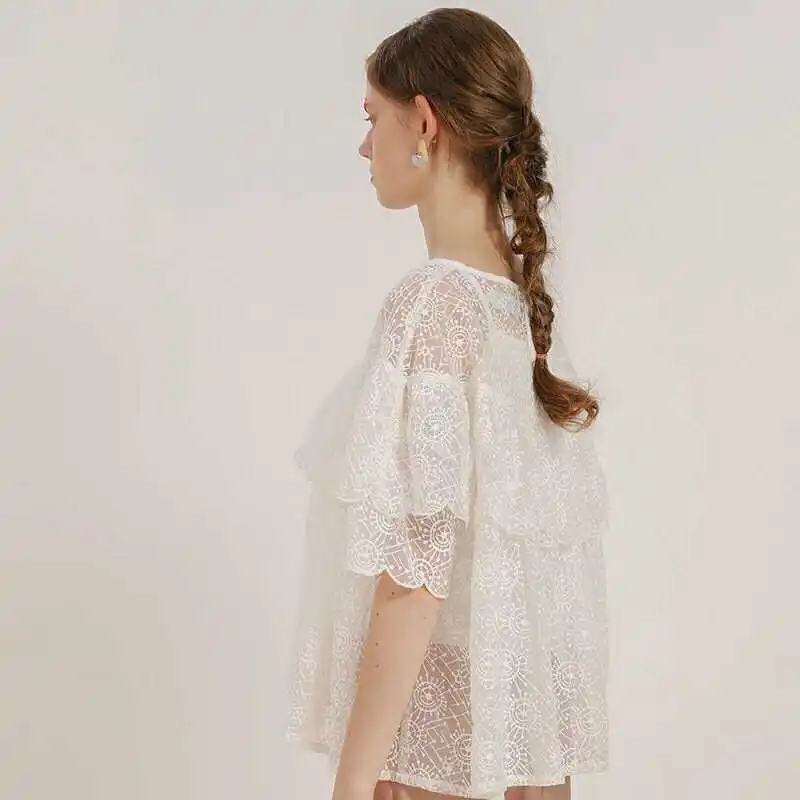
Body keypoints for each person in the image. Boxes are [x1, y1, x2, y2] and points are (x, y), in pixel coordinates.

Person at [285, 8, 609, 800]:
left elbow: (416, 574)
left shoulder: (433, 306)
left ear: (424, 122)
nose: (365, 147)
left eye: (373, 118)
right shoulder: (520, 317)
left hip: (431, 771)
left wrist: (353, 783)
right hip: (525, 766)